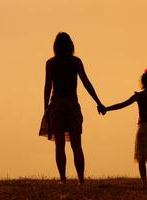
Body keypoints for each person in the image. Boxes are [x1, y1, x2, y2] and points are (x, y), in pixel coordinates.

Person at [39, 32, 105, 184]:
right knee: (77, 145)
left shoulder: (51, 63)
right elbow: (87, 83)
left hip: (56, 105)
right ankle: (81, 179)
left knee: (59, 145)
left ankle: (63, 179)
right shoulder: (75, 62)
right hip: (72, 104)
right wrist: (98, 102)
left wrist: (46, 109)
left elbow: (47, 87)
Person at [101, 69, 147, 190]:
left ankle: (144, 183)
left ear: (143, 82)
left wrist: (107, 109)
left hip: (142, 128)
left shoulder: (139, 96)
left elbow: (122, 104)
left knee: (141, 158)